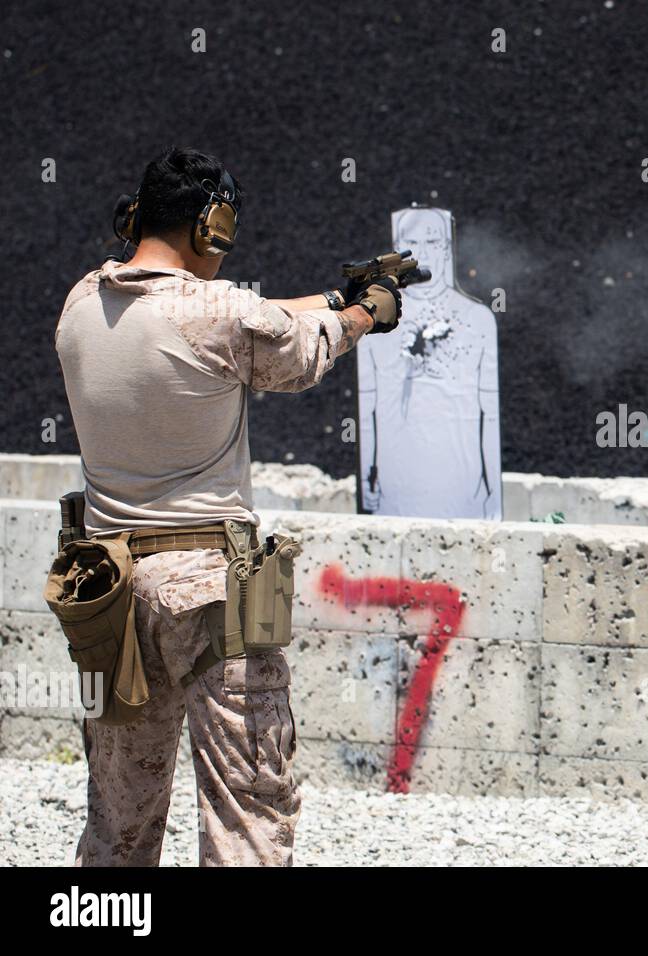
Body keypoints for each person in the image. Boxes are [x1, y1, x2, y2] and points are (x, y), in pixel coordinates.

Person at [54, 146, 401, 865]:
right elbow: (298, 350)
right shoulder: (217, 311)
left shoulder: (84, 301)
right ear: (210, 225)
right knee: (248, 808)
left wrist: (335, 297)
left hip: (107, 594)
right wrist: (369, 311)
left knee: (118, 814)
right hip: (210, 588)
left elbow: (247, 318)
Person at [358, 207, 501, 518]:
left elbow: (488, 413)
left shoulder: (477, 320)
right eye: (412, 243)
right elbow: (367, 410)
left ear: (447, 249)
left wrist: (493, 494)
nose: (423, 253)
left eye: (433, 242)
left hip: (464, 492)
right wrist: (369, 476)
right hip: (396, 490)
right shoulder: (372, 322)